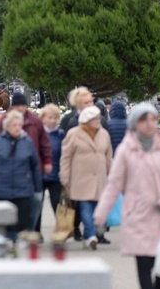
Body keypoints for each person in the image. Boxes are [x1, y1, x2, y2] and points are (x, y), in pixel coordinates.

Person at [94, 103, 160, 289]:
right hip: (137, 216)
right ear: (134, 123)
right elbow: (114, 185)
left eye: (152, 119)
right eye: (143, 120)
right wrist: (101, 215)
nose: (149, 124)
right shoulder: (126, 150)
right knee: (144, 264)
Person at [0, 93, 52, 233]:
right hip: (9, 170)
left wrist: (47, 161)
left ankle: (32, 230)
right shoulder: (4, 122)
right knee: (17, 202)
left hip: (32, 168)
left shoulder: (35, 121)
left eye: (23, 105)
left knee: (37, 200)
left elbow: (44, 142)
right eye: (17, 106)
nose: (20, 108)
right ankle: (15, 231)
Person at [0, 111, 42, 241]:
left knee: (21, 226)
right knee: (3, 226)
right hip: (0, 190)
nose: (17, 127)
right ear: (7, 126)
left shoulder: (27, 142)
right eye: (14, 125)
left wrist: (38, 188)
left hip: (23, 190)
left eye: (19, 125)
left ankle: (18, 251)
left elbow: (35, 166)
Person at [60, 106, 113, 249]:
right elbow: (66, 157)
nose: (98, 120)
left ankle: (92, 233)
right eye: (94, 119)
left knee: (97, 208)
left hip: (100, 177)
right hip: (81, 178)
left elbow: (109, 157)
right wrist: (65, 177)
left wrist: (111, 175)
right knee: (85, 207)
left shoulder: (104, 134)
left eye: (98, 118)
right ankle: (90, 236)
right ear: (86, 120)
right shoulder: (73, 134)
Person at [37, 104, 65, 232]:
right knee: (37, 204)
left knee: (57, 203)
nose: (53, 120)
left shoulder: (60, 134)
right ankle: (36, 232)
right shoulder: (37, 134)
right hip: (39, 174)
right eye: (50, 117)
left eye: (55, 118)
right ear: (42, 118)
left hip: (56, 174)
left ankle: (60, 231)